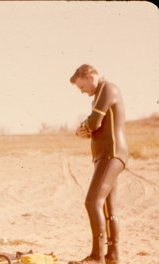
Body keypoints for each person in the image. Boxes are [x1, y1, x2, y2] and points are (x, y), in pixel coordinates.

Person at [68, 64, 128, 264]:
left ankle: (97, 256)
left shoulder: (107, 88)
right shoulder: (101, 93)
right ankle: (112, 255)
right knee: (108, 208)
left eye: (82, 87)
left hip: (111, 155)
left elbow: (94, 123)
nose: (83, 92)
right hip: (108, 155)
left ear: (89, 75)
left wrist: (83, 128)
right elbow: (97, 127)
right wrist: (87, 128)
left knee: (92, 202)